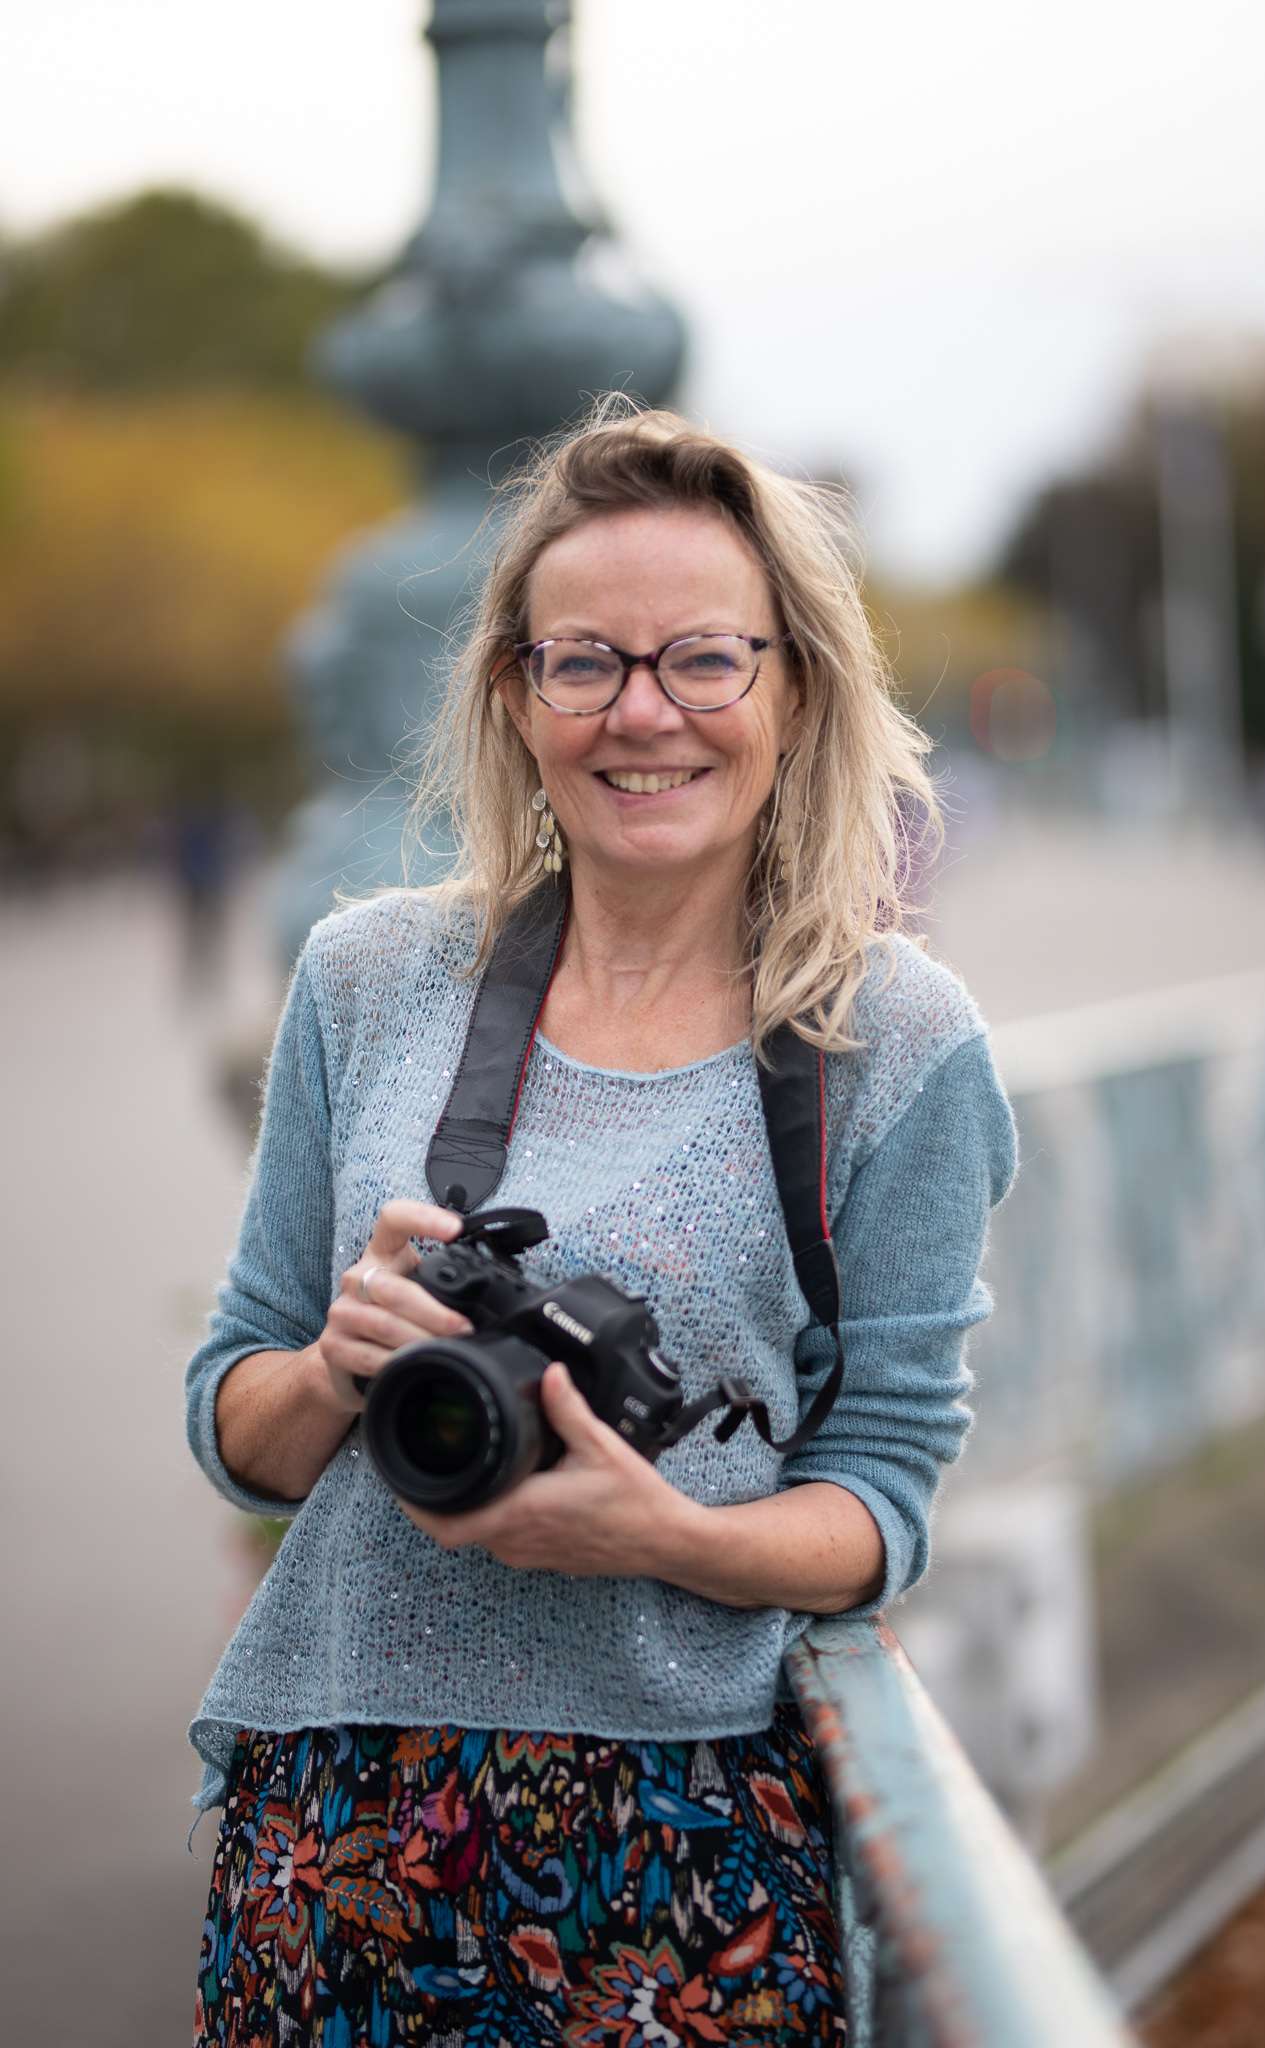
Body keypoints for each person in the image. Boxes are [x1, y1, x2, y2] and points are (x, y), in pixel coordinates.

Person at [186, 403, 1018, 2046]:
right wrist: (337, 1368)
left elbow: (883, 1503)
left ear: (792, 687)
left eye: (704, 659)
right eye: (585, 663)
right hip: (335, 1813)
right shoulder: (366, 977)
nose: (644, 714)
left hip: (684, 1839)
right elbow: (236, 1429)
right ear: (516, 694)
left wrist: (666, 1537)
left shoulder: (896, 1040)